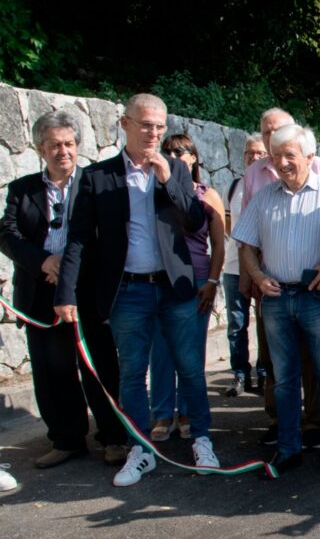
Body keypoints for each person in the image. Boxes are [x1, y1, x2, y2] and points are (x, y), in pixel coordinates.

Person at [54, 93, 218, 487]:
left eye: (160, 126)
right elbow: (77, 239)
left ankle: (202, 440)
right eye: (146, 125)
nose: (153, 133)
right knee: (132, 374)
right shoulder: (97, 176)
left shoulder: (177, 169)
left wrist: (167, 179)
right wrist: (66, 293)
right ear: (125, 124)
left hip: (174, 287)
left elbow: (195, 222)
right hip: (127, 291)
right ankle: (141, 449)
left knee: (191, 369)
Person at [0, 110, 128, 469]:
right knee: (51, 369)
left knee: (99, 365)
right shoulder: (23, 189)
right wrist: (44, 262)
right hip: (40, 291)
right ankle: (67, 439)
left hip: (87, 292)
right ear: (41, 148)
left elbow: (106, 239)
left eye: (69, 144)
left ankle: (113, 437)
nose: (63, 151)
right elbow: (8, 234)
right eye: (55, 145)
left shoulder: (96, 184)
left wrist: (70, 271)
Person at [233, 124, 320, 482]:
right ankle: (288, 450)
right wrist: (255, 274)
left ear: (311, 158)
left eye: (289, 155)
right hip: (277, 298)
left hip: (318, 296)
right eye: (275, 155)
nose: (281, 163)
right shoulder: (265, 197)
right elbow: (246, 244)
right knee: (283, 379)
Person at [148, 134, 226, 443]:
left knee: (191, 351)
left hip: (196, 280)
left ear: (193, 156)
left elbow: (219, 244)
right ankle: (163, 412)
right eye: (167, 151)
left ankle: (187, 411)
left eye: (181, 151)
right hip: (161, 278)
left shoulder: (207, 195)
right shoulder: (155, 191)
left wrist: (213, 280)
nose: (174, 155)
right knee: (161, 349)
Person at [222, 135, 267, 397]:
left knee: (263, 322)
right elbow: (229, 225)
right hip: (233, 266)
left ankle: (262, 372)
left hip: (262, 268)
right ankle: (239, 374)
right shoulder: (235, 186)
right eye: (250, 153)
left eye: (260, 153)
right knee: (236, 324)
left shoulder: (269, 184)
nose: (254, 158)